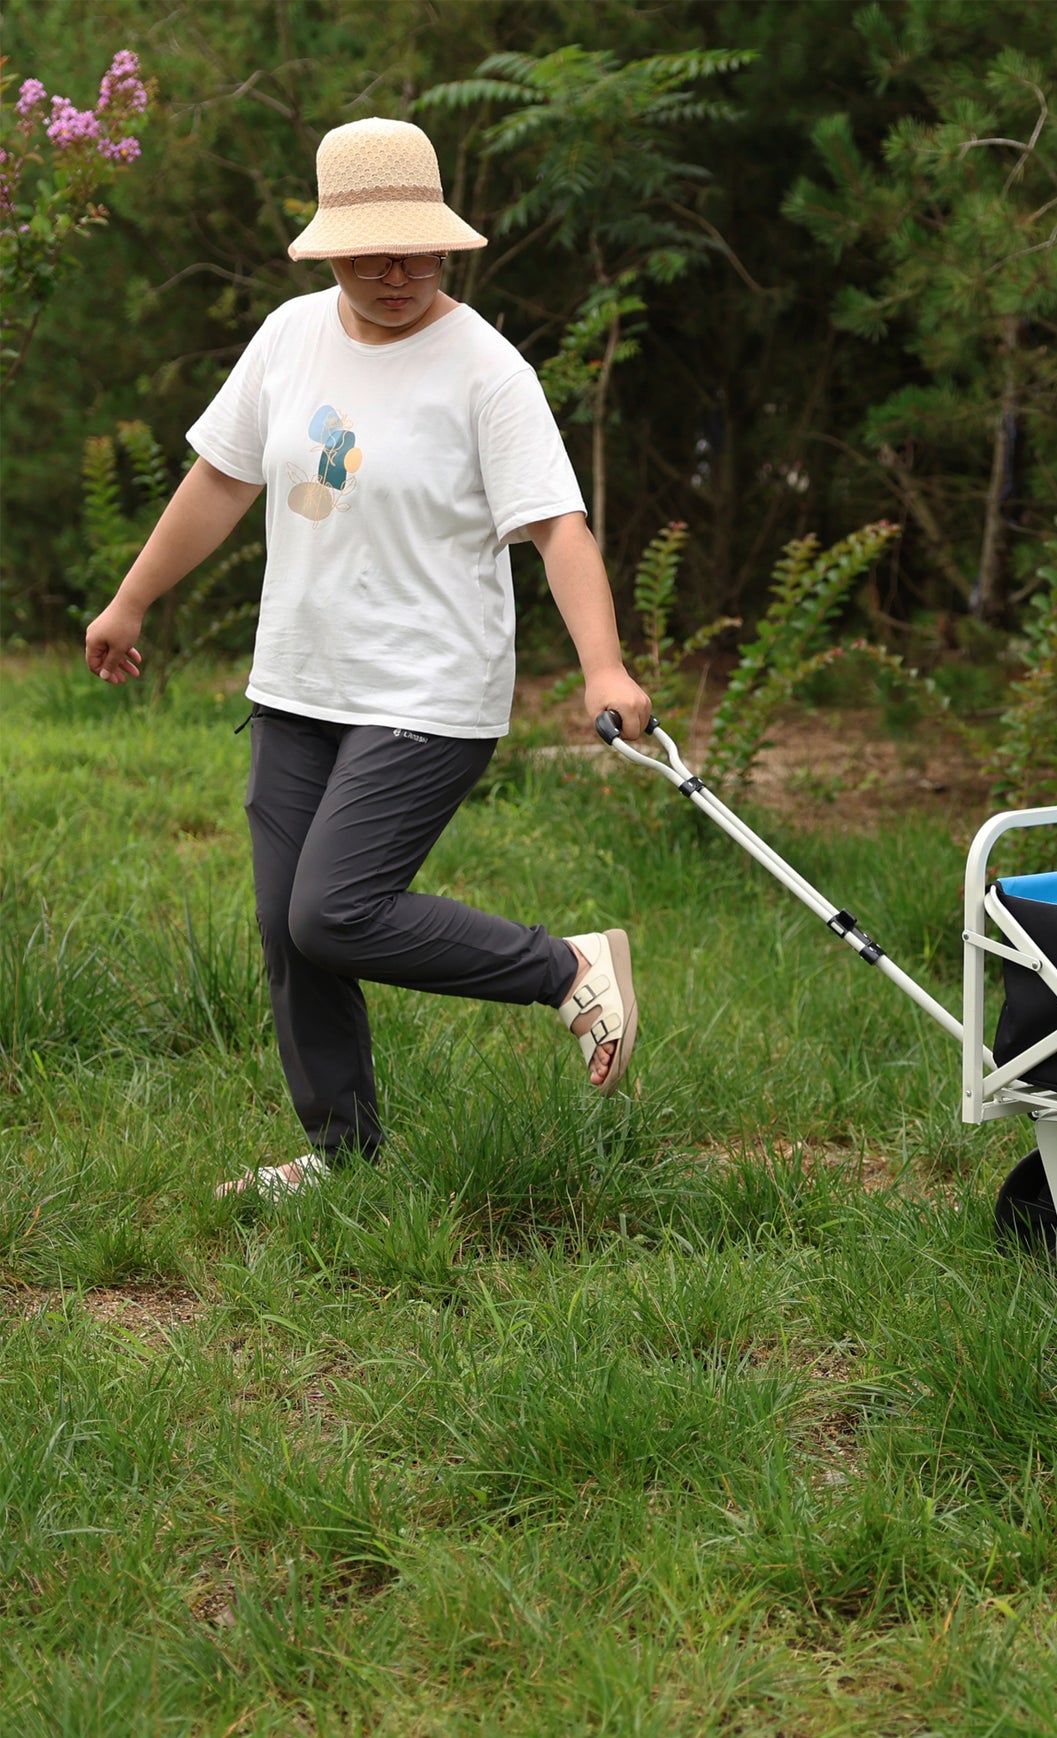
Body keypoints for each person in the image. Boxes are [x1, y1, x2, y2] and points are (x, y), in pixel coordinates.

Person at [82, 118, 652, 1197]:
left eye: (417, 251)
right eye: (369, 253)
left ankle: (567, 967)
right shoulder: (291, 336)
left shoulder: (485, 367)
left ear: (445, 241)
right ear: (326, 246)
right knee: (288, 933)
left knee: (333, 909)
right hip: (298, 680)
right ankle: (344, 1156)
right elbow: (220, 479)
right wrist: (130, 599)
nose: (395, 274)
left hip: (428, 691)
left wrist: (603, 668)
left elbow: (557, 526)